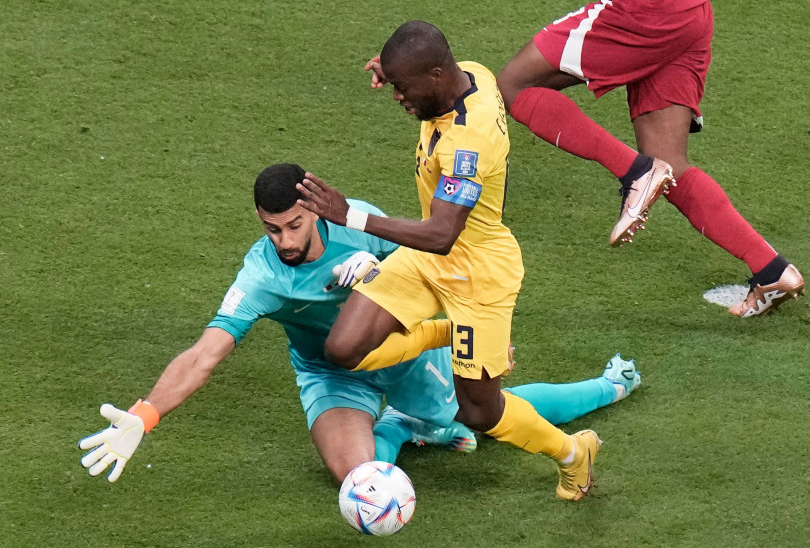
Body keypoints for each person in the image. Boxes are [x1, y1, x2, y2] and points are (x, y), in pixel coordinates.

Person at [78, 163, 642, 485]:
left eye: (295, 225)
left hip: (405, 350)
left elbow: (438, 268)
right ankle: (402, 427)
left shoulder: (358, 221)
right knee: (356, 477)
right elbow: (205, 353)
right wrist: (144, 415)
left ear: (314, 210)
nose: (287, 241)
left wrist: (444, 320)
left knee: (486, 412)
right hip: (332, 374)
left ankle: (607, 385)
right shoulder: (261, 277)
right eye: (273, 230)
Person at [296, 21, 604, 501]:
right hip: (425, 258)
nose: (398, 96)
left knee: (479, 413)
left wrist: (349, 216)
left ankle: (571, 453)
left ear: (437, 75)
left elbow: (442, 234)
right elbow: (434, 240)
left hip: (477, 272)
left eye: (403, 87)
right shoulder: (470, 75)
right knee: (341, 349)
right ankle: (448, 334)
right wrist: (399, 72)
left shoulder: (470, 142)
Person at [494, 0, 804, 317]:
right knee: (668, 162)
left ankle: (637, 173)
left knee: (512, 85)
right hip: (689, 15)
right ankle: (772, 270)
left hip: (645, 12)